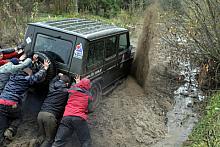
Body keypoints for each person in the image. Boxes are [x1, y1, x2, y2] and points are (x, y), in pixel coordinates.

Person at [0, 60, 50, 145]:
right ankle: (11, 129)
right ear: (27, 71)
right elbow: (37, 77)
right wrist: (44, 68)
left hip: (1, 102)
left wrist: (33, 61)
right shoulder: (26, 79)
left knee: (1, 126)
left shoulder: (13, 75)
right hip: (12, 103)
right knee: (18, 117)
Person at [52, 76, 94, 147]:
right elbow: (91, 109)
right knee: (85, 141)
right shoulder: (88, 95)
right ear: (88, 86)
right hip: (79, 118)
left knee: (59, 141)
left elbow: (74, 88)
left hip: (66, 117)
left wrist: (78, 83)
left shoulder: (72, 90)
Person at [37, 73, 70, 147]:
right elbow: (74, 90)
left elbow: (52, 82)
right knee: (49, 140)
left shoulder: (52, 88)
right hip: (50, 116)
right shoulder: (66, 92)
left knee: (41, 137)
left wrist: (58, 75)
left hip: (40, 114)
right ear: (67, 84)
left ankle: (32, 144)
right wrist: (77, 83)